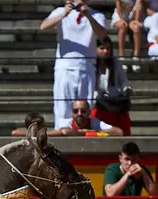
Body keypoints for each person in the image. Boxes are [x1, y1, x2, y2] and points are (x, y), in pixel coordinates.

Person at [39, 0, 107, 130]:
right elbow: (43, 26)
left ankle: (86, 138)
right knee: (62, 109)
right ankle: (60, 135)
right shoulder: (60, 11)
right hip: (65, 67)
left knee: (86, 109)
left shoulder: (97, 15)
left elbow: (102, 35)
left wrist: (87, 15)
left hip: (86, 68)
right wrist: (64, 13)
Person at [91, 37, 133, 135]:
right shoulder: (91, 65)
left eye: (108, 48)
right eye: (102, 48)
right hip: (100, 103)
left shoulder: (116, 63)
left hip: (115, 100)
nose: (106, 51)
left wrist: (126, 90)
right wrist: (107, 105)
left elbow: (123, 82)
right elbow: (93, 91)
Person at [50, 99, 123, 136]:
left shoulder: (95, 122)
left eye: (83, 111)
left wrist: (93, 132)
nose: (79, 114)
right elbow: (62, 132)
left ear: (89, 113)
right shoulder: (64, 122)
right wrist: (80, 132)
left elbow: (119, 132)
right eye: (76, 111)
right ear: (71, 113)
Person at [111, 0, 144, 72]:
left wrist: (136, 20)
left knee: (136, 28)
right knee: (123, 27)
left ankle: (136, 57)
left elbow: (138, 7)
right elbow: (118, 5)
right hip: (120, 16)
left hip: (133, 17)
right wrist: (122, 19)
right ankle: (121, 56)